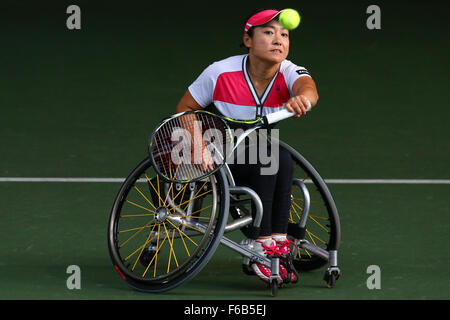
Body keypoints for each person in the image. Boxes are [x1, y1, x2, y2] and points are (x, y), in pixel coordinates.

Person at [175, 8, 319, 284]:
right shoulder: (220, 72)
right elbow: (185, 109)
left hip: (256, 149)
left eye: (284, 34)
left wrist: (302, 99)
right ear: (248, 40)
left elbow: (308, 87)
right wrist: (197, 145)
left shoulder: (288, 71)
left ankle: (277, 240)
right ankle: (258, 243)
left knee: (283, 159)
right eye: (268, 32)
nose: (278, 39)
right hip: (215, 149)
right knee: (269, 158)